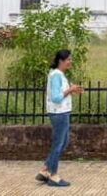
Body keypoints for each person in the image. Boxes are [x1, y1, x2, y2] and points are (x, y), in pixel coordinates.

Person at [36, 49, 83, 187]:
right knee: (58, 144)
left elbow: (59, 93)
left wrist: (71, 88)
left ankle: (45, 169)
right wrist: (70, 90)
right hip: (59, 113)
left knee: (63, 142)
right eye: (68, 59)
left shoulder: (58, 74)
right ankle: (53, 175)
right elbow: (56, 97)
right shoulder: (56, 75)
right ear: (61, 61)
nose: (70, 61)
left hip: (61, 112)